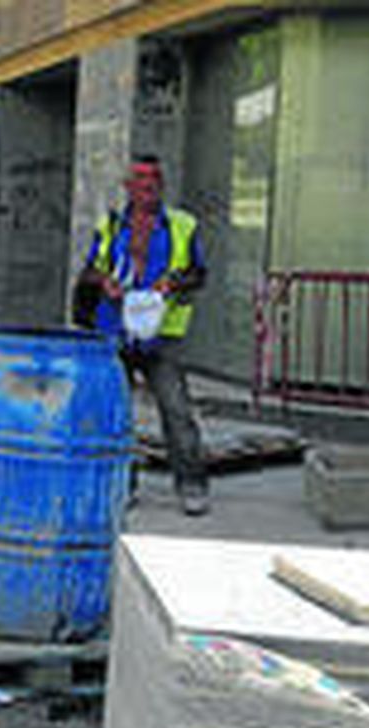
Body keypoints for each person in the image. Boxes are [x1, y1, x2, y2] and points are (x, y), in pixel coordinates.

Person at [74, 154, 210, 516]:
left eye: (154, 180)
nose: (147, 186)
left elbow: (199, 274)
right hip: (115, 333)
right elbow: (89, 271)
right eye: (140, 179)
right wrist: (105, 281)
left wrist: (173, 282)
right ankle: (124, 484)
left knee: (176, 410)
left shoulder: (182, 224)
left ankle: (192, 484)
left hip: (160, 335)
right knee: (117, 413)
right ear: (128, 186)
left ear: (161, 186)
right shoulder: (111, 225)